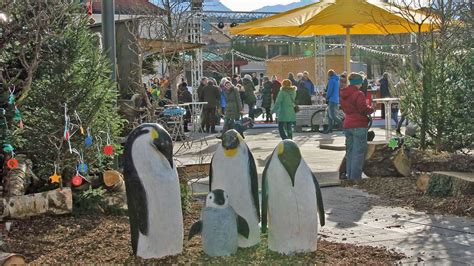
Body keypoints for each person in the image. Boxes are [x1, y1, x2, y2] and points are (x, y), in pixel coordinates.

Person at [340, 73, 374, 180]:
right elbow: (363, 109)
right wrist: (371, 109)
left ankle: (349, 175)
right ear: (358, 83)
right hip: (359, 125)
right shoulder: (359, 94)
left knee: (350, 152)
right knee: (359, 153)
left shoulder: (343, 93)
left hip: (347, 124)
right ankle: (355, 178)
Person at [323, 69, 341, 134]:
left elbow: (330, 90)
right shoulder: (337, 80)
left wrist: (326, 96)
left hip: (332, 99)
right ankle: (329, 129)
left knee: (332, 115)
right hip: (336, 99)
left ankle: (343, 125)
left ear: (329, 75)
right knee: (329, 115)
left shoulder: (331, 81)